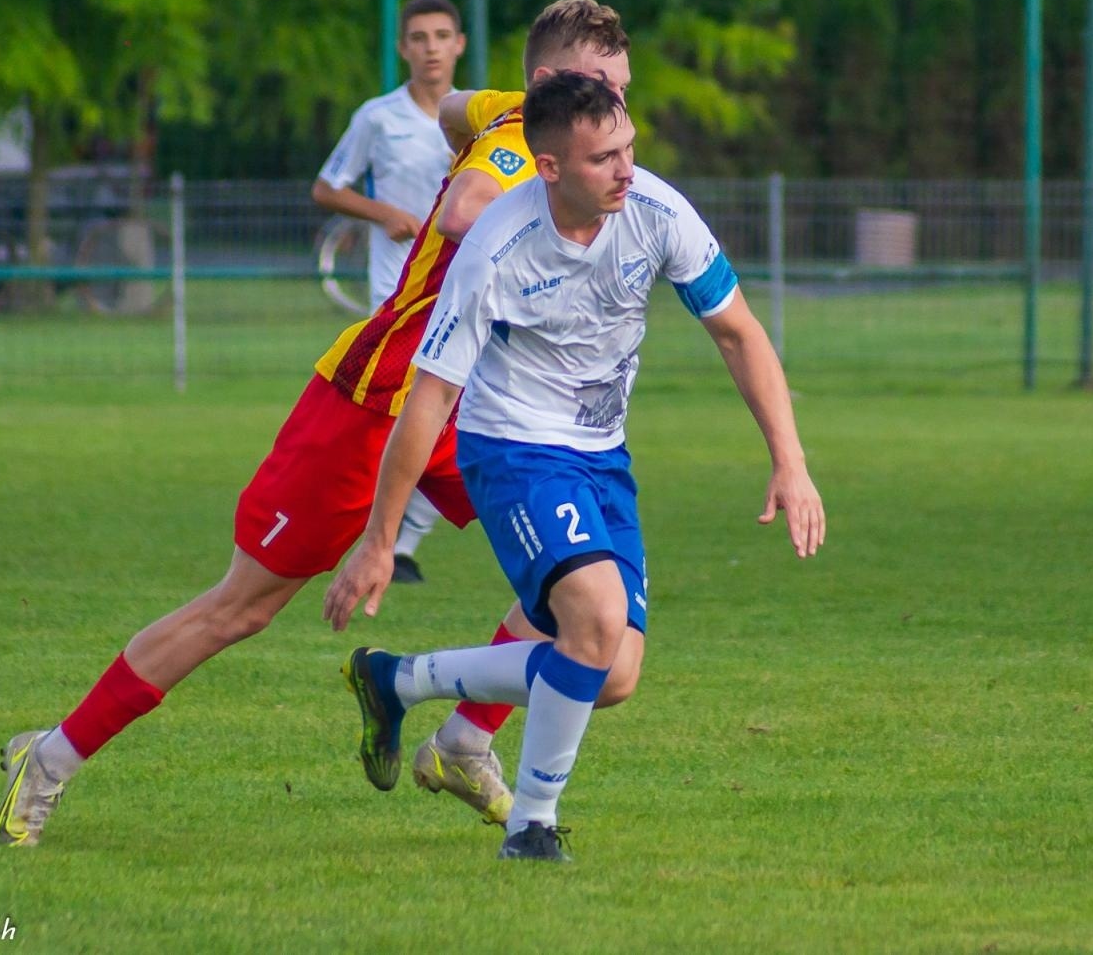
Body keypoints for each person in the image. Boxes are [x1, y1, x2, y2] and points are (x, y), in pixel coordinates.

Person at [0, 0, 635, 848]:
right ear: (550, 83)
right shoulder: (522, 146)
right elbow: (463, 208)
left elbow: (453, 110)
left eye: (622, 91)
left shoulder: (506, 114)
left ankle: (463, 743)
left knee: (572, 587)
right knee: (241, 609)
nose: (617, 109)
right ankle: (49, 758)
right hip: (375, 401)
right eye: (601, 88)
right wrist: (544, 221)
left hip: (477, 407)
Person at [323, 72, 825, 862]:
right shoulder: (496, 247)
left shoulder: (657, 211)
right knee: (593, 617)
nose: (627, 170)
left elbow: (738, 332)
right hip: (512, 447)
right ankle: (531, 826)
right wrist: (381, 540)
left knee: (613, 671)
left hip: (602, 456)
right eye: (603, 159)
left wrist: (789, 461)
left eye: (629, 148)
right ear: (550, 167)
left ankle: (400, 682)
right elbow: (430, 397)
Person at [312, 0, 466, 583]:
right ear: (403, 48)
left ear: (459, 45)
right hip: (398, 298)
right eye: (419, 38)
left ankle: (401, 542)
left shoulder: (478, 118)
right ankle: (372, 535)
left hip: (463, 294)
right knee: (396, 422)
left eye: (442, 36)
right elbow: (327, 187)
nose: (431, 48)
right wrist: (383, 213)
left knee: (457, 424)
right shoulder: (378, 117)